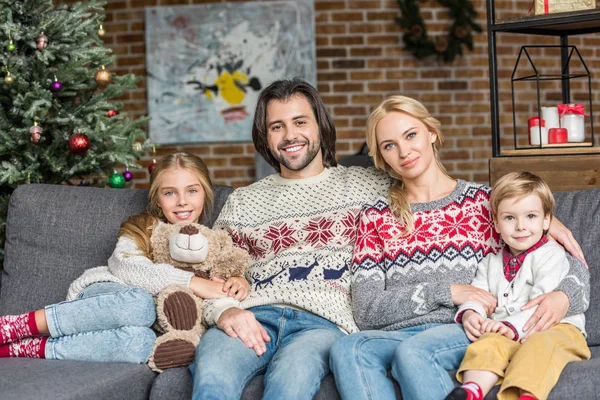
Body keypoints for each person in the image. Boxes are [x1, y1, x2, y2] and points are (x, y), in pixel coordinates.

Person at [328, 95, 590, 400]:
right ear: (381, 157)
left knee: (414, 353)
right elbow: (367, 309)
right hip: (395, 334)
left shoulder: (486, 204)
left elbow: (567, 262)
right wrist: (447, 291)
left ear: (432, 133)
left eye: (410, 135)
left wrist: (563, 296)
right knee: (348, 347)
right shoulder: (375, 216)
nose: (403, 151)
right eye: (389, 145)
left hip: (467, 327)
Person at [190, 78, 392, 400]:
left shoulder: (368, 185)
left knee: (289, 385)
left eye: (300, 122)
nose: (290, 136)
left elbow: (426, 191)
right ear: (265, 137)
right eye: (277, 127)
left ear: (320, 127)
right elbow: (212, 271)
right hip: (254, 315)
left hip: (323, 324)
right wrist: (225, 311)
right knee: (213, 377)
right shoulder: (244, 201)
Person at [0, 152, 248, 363]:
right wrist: (193, 283)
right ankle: (18, 325)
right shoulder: (144, 226)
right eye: (170, 193)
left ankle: (28, 348)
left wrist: (238, 281)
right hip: (110, 295)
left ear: (204, 193)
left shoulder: (211, 241)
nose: (182, 201)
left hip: (142, 325)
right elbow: (126, 267)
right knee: (140, 304)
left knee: (141, 344)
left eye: (192, 191)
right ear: (158, 200)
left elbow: (223, 282)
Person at [446, 172, 589, 400]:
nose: (520, 226)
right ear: (497, 223)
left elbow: (541, 305)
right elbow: (479, 293)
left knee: (539, 347)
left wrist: (510, 327)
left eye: (530, 216)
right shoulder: (490, 261)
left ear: (546, 220)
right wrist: (470, 313)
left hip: (556, 328)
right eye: (510, 218)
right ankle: (472, 390)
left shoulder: (551, 255)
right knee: (488, 343)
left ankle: (528, 395)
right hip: (507, 330)